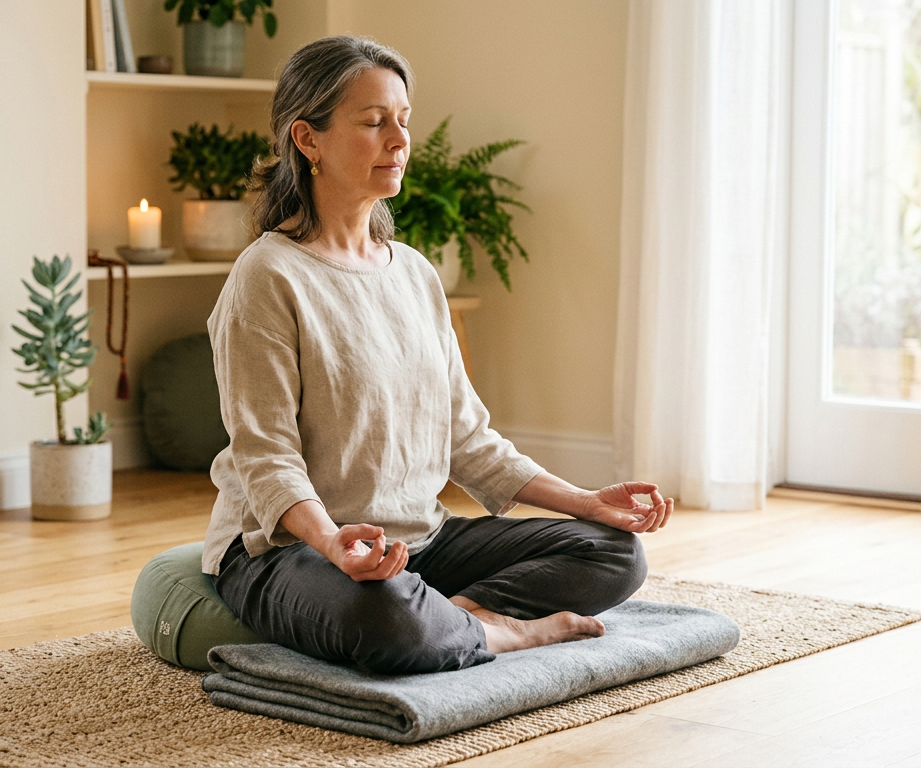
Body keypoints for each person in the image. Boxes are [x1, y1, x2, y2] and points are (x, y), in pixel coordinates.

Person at [201, 35, 673, 675]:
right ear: (307, 140)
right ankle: (502, 634)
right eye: (373, 123)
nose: (398, 140)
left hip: (420, 539)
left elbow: (468, 438)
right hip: (289, 547)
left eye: (403, 121)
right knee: (383, 613)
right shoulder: (268, 277)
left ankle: (465, 619)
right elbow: (267, 458)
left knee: (615, 553)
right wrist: (334, 545)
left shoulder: (415, 274)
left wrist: (585, 502)